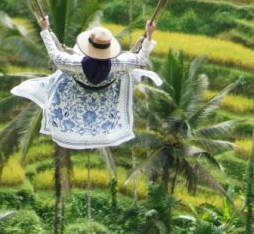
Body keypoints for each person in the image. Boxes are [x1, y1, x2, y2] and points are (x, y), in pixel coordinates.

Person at [12, 18, 161, 149]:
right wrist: (149, 35)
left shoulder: (73, 64)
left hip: (75, 94)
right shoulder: (119, 64)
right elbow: (140, 58)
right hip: (105, 98)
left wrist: (45, 30)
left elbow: (55, 55)